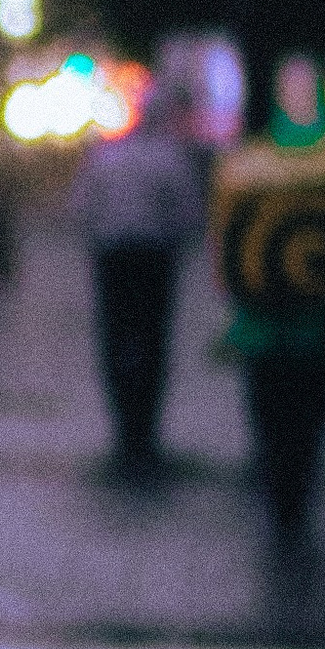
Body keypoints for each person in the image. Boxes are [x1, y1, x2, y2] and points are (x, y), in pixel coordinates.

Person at [211, 53, 325, 539]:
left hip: (261, 322)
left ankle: (280, 492)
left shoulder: (246, 160)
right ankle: (297, 490)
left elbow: (225, 240)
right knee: (310, 413)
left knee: (269, 412)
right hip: (322, 318)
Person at [71, 79, 208, 472]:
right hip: (155, 261)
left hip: (112, 260)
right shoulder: (173, 160)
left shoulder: (105, 158)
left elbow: (80, 209)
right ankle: (146, 430)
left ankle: (123, 429)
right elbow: (190, 217)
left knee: (114, 341)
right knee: (153, 341)